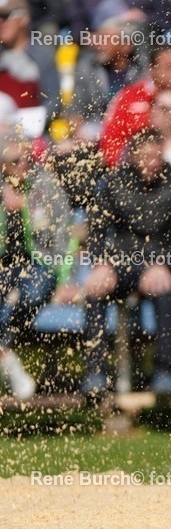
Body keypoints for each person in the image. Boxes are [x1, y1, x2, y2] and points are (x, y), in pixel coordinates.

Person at [78, 130, 171, 395]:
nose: (152, 163)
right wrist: (101, 264)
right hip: (119, 260)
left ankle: (165, 371)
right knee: (95, 290)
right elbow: (97, 231)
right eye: (146, 157)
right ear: (131, 157)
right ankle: (95, 372)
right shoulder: (111, 184)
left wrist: (162, 264)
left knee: (164, 290)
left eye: (157, 157)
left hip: (160, 262)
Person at [0, 132, 73, 400]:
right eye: (16, 161)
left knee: (32, 293)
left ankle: (4, 352)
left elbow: (66, 239)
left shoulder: (46, 187)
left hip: (41, 264)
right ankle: (7, 360)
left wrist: (66, 279)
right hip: (5, 264)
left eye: (27, 160)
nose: (23, 166)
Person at [65, 13, 146, 131]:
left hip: (133, 127)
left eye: (107, 40)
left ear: (126, 46)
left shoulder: (142, 69)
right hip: (97, 127)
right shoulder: (87, 68)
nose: (99, 45)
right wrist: (78, 132)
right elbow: (76, 108)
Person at [0, 0, 60, 116]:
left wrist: (22, 124)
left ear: (24, 18)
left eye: (6, 16)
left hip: (29, 130)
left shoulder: (43, 55)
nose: (1, 23)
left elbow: (53, 101)